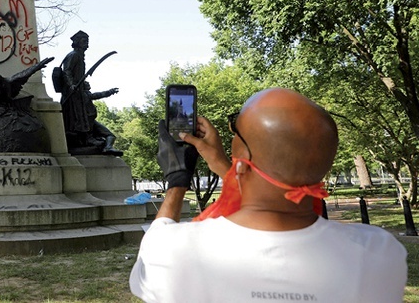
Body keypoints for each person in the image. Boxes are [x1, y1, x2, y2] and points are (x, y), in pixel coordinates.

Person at [129, 88, 407, 303]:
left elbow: (157, 240)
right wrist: (228, 163)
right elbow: (274, 187)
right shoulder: (379, 252)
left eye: (235, 127)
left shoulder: (175, 249)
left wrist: (177, 180)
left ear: (243, 160)